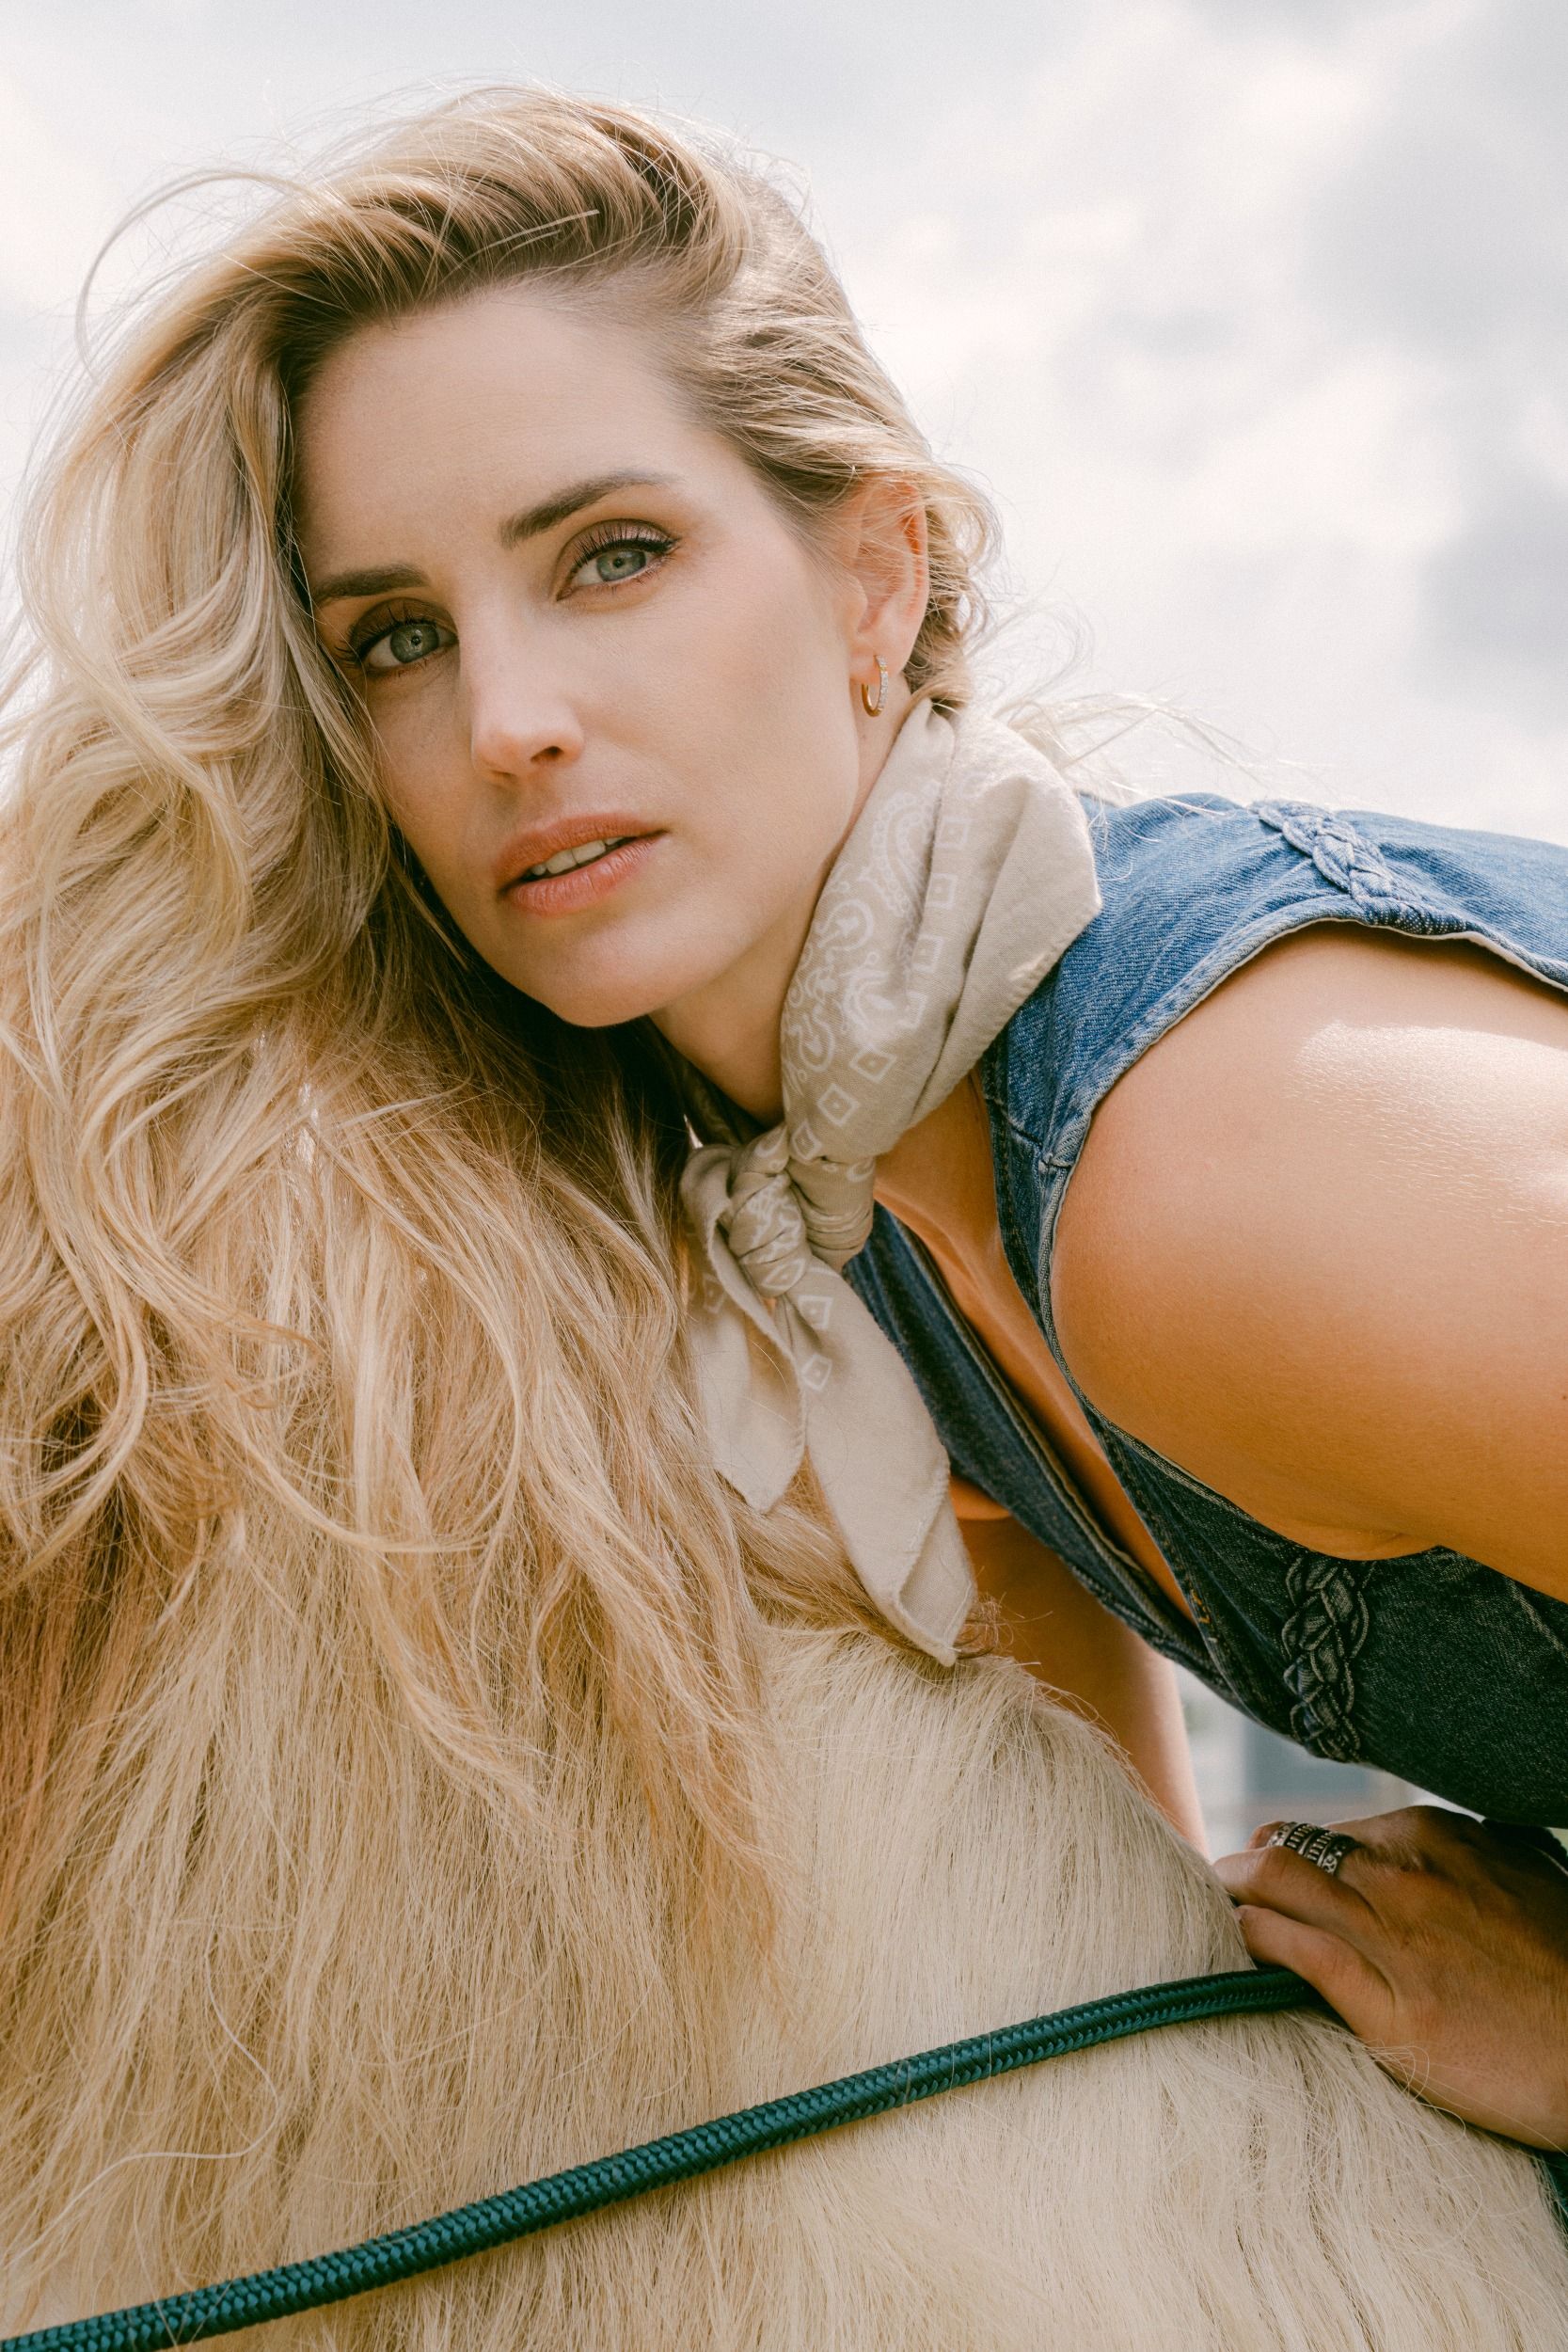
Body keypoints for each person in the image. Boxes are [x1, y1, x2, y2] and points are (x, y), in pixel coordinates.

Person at [2, 85, 1565, 2344]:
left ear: (875, 577)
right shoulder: (865, 1219)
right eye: (395, 637)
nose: (509, 719)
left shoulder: (1208, 1161)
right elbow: (1084, 1756)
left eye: (610, 556)